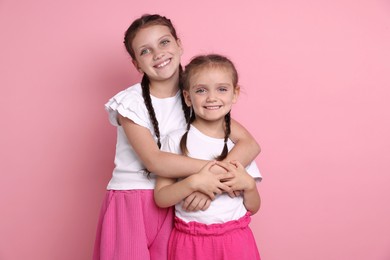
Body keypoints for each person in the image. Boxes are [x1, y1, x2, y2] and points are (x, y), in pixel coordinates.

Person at [93, 14, 260, 260]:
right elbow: (155, 161)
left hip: (177, 200)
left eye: (164, 42)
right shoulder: (130, 102)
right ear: (136, 64)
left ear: (179, 45)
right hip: (134, 200)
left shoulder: (198, 95)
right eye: (145, 51)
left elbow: (249, 143)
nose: (158, 53)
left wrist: (209, 184)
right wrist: (213, 174)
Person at [154, 54, 262, 260]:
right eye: (201, 90)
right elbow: (161, 198)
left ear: (235, 93)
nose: (212, 97)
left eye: (222, 89)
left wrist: (249, 186)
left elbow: (253, 207)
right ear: (187, 97)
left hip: (235, 240)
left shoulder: (236, 147)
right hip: (189, 242)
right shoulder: (174, 140)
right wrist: (194, 183)